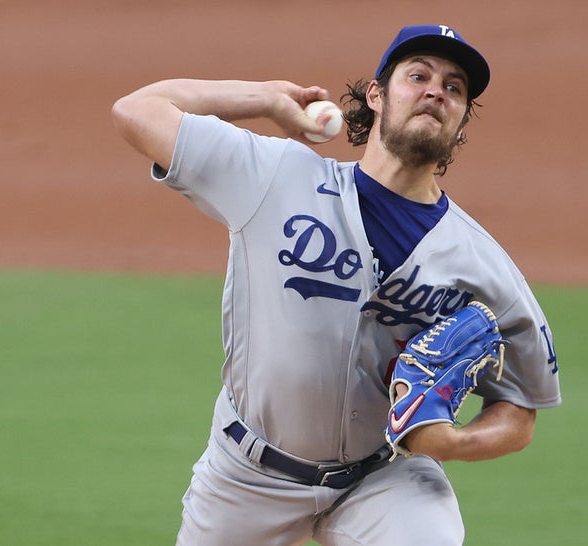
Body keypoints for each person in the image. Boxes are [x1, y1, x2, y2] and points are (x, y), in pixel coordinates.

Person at [112, 23, 561, 546]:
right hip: (246, 474)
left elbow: (520, 409)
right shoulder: (276, 176)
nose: (436, 90)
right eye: (418, 76)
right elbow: (137, 111)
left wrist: (450, 441)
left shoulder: (482, 264)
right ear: (376, 96)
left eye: (454, 87)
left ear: (460, 123)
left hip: (383, 478)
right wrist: (266, 98)